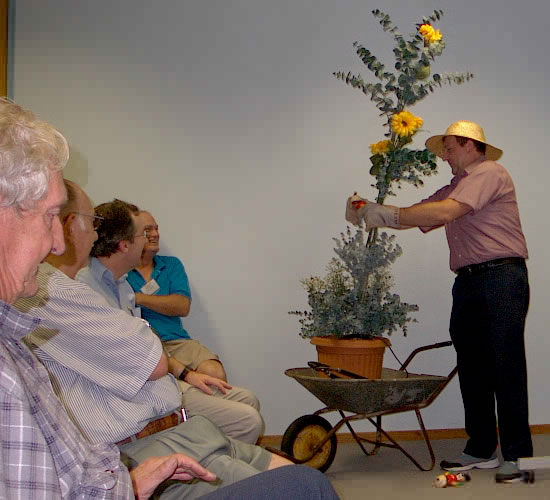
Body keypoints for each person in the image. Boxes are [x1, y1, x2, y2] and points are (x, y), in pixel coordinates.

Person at [2, 103, 339, 499]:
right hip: (151, 435)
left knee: (301, 476)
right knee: (299, 479)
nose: (58, 242)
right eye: (51, 218)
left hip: (158, 440)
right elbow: (151, 356)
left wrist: (128, 484)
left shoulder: (95, 296)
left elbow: (171, 319)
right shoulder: (51, 292)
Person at [346, 120, 532, 483]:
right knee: (473, 366)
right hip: (468, 282)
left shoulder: (491, 172)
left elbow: (444, 213)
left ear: (468, 145)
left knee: (504, 366)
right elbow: (420, 213)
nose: (444, 156)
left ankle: (517, 454)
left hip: (501, 278)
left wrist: (388, 214)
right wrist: (373, 210)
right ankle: (481, 449)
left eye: (448, 148)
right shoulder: (455, 187)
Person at [76, 200, 264, 444]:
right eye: (142, 234)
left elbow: (173, 314)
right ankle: (207, 465)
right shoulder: (86, 289)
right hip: (144, 394)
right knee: (248, 420)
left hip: (162, 376)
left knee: (248, 399)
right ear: (124, 245)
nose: (148, 239)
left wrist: (187, 375)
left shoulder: (122, 286)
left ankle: (212, 460)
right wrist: (179, 377)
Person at [126, 211, 224, 379]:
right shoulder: (123, 268)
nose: (155, 234)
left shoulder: (171, 265)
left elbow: (182, 306)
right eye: (148, 230)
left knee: (214, 371)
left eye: (156, 229)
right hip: (142, 343)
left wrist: (137, 298)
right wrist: (161, 303)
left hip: (176, 340)